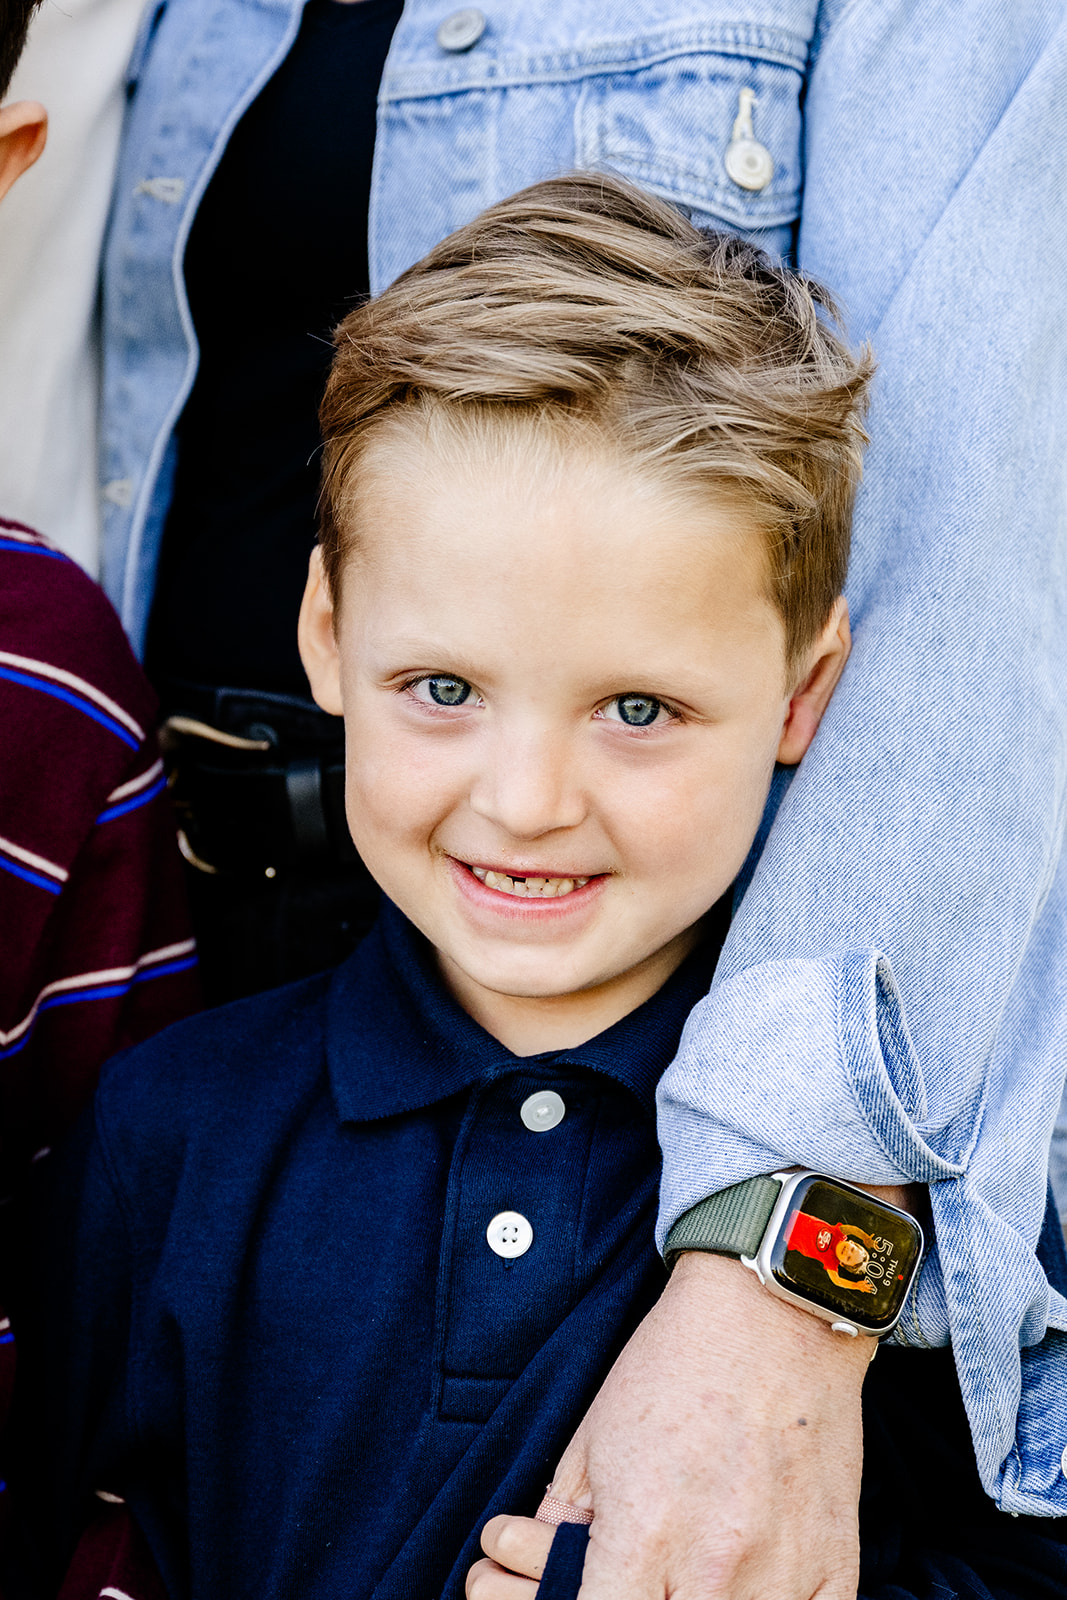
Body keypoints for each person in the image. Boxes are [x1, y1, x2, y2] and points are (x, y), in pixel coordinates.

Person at [94, 1, 1067, 1593]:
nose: (528, 799)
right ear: (332, 639)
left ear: (804, 694)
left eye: (637, 709)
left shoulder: (875, 1216)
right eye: (446, 691)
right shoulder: (168, 1132)